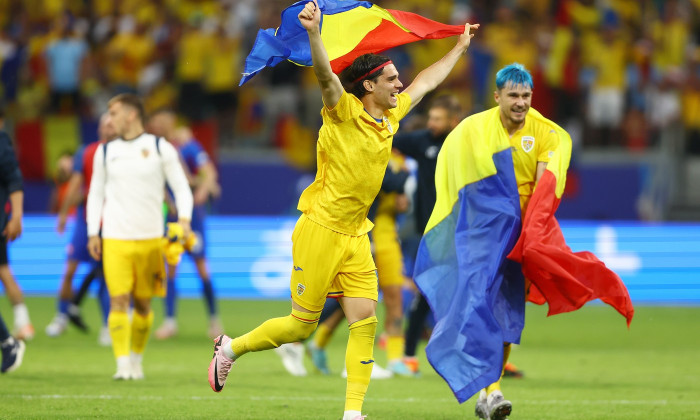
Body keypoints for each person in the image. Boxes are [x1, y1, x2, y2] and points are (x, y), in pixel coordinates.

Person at [207, 2, 478, 419]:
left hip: (355, 234)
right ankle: (231, 348)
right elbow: (325, 77)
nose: (399, 84)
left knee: (364, 320)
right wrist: (315, 34)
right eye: (391, 79)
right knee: (301, 326)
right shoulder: (343, 113)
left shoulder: (391, 117)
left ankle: (353, 413)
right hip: (320, 228)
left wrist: (458, 47)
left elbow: (425, 82)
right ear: (368, 86)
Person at [87, 93, 193, 380]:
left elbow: (182, 188)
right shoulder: (105, 152)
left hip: (150, 239)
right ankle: (122, 365)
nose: (109, 119)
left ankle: (136, 359)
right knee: (118, 300)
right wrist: (92, 231)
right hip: (115, 238)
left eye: (114, 112)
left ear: (131, 114)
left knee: (144, 305)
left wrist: (184, 219)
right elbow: (95, 193)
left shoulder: (160, 148)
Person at [390, 94, 463, 376]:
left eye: (437, 119)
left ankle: (484, 357)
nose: (431, 123)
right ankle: (408, 355)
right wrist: (397, 183)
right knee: (425, 291)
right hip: (431, 232)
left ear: (452, 121)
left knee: (465, 294)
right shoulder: (423, 142)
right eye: (430, 118)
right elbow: (385, 139)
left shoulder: (464, 144)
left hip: (461, 231)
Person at [147, 109, 223, 340]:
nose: (159, 125)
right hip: (170, 218)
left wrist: (201, 189)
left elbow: (208, 173)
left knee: (202, 269)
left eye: (163, 121)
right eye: (156, 122)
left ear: (171, 122)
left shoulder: (188, 146)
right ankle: (170, 321)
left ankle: (214, 320)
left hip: (192, 218)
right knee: (170, 268)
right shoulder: (155, 150)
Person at [47, 113, 117, 345]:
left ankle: (108, 325)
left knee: (106, 277)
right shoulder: (86, 152)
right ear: (99, 128)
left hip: (112, 222)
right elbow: (76, 183)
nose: (107, 128)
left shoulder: (124, 153)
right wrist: (65, 212)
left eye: (111, 124)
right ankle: (61, 316)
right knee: (70, 270)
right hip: (86, 220)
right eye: (104, 124)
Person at [0, 117, 33, 341]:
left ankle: (22, 324)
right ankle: (23, 322)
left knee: (3, 270)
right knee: (3, 270)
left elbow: (14, 179)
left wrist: (17, 215)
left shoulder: (1, 142)